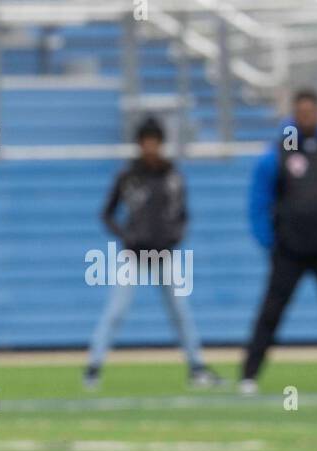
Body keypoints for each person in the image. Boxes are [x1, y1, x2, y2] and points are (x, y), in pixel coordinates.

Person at [86, 118, 219, 390]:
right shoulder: (128, 176)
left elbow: (182, 214)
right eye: (145, 141)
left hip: (163, 254)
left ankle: (197, 367)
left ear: (160, 143)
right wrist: (126, 235)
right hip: (133, 255)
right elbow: (107, 214)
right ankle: (93, 367)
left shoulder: (172, 176)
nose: (149, 147)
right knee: (116, 311)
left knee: (180, 312)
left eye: (154, 141)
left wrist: (175, 236)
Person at [239, 89, 317, 394]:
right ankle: (249, 375)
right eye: (301, 112)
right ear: (294, 116)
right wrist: (269, 240)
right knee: (271, 312)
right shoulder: (280, 151)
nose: (306, 117)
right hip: (289, 249)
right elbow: (259, 198)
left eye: (311, 111)